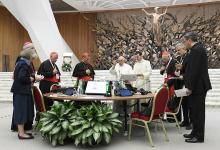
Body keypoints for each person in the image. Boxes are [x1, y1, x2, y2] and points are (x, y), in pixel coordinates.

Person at [183, 32, 212, 143]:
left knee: (198, 113)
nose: (184, 43)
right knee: (194, 111)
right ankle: (194, 132)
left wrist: (189, 87)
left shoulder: (197, 50)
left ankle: (199, 136)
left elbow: (194, 71)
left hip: (198, 86)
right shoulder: (197, 49)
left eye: (185, 41)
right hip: (197, 85)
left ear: (189, 40)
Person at [10, 43, 37, 139]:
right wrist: (30, 79)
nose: (33, 60)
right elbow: (21, 77)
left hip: (21, 91)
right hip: (21, 91)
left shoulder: (21, 62)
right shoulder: (23, 64)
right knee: (21, 111)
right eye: (32, 58)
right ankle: (21, 134)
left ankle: (22, 131)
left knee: (23, 111)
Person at [175, 43, 192, 130]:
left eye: (179, 50)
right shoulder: (180, 58)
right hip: (181, 83)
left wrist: (183, 76)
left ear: (184, 49)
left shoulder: (189, 56)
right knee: (183, 103)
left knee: (189, 104)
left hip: (187, 83)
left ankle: (191, 123)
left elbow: (190, 70)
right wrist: (177, 71)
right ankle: (185, 120)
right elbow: (181, 69)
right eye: (177, 50)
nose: (177, 52)